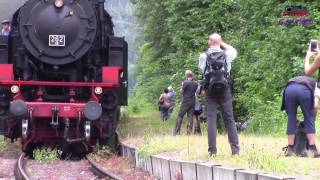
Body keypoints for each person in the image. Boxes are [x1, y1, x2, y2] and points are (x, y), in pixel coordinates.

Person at [198, 33, 240, 156]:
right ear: (220, 41)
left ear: (209, 42)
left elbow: (202, 70)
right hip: (225, 89)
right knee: (229, 119)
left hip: (210, 90)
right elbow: (234, 50)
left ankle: (212, 151)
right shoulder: (227, 54)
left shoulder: (203, 56)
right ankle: (235, 150)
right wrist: (222, 43)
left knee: (211, 119)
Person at [281, 76, 320, 157]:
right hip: (304, 91)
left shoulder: (298, 80)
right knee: (309, 118)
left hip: (288, 89)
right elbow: (315, 105)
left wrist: (295, 120)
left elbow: (288, 110)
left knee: (291, 119)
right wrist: (312, 119)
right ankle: (312, 149)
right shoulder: (317, 85)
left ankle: (290, 149)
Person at [174, 70, 198, 135]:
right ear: (192, 75)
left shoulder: (185, 82)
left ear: (186, 76)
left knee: (180, 115)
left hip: (185, 101)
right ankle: (189, 132)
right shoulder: (196, 83)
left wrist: (182, 85)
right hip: (193, 101)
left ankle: (176, 132)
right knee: (190, 117)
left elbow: (181, 91)